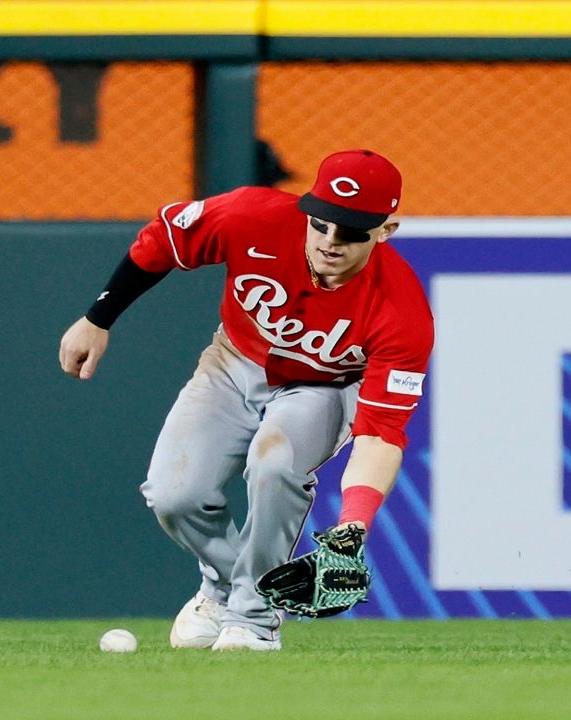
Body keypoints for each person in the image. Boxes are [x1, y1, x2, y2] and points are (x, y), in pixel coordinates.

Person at [58, 149, 433, 651]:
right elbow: (164, 238)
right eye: (321, 223)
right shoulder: (251, 216)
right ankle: (224, 589)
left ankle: (253, 619)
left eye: (352, 231)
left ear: (386, 230)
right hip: (233, 363)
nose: (330, 241)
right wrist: (98, 318)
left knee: (274, 463)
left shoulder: (402, 310)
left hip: (324, 386)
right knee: (173, 495)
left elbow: (381, 434)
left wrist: (352, 528)